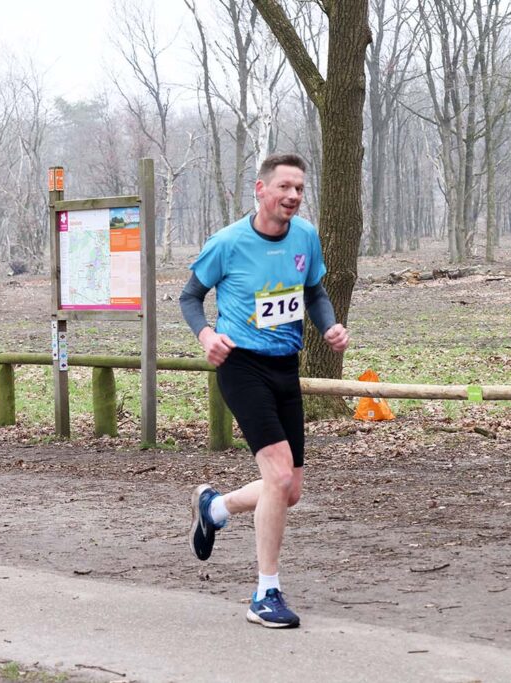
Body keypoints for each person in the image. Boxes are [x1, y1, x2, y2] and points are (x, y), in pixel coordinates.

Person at [178, 153, 349, 629]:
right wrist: (207, 336)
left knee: (289, 489)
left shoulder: (306, 237)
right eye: (285, 188)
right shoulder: (228, 243)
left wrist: (330, 326)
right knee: (276, 474)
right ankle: (265, 592)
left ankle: (215, 507)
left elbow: (313, 292)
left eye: (299, 188)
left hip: (284, 366)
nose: (293, 196)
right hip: (242, 365)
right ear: (260, 189)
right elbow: (190, 296)